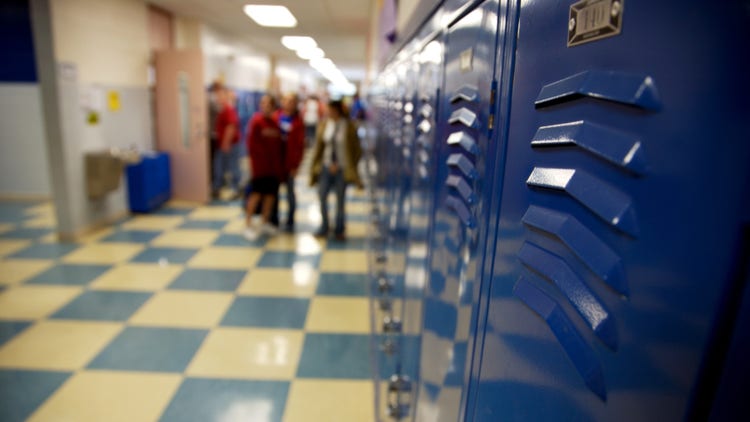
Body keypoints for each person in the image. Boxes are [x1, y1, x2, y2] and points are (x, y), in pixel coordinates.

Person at [310, 99, 363, 241]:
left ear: (338, 111)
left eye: (331, 110)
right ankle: (324, 226)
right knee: (322, 196)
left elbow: (357, 149)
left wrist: (348, 165)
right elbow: (319, 147)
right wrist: (317, 165)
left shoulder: (349, 127)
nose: (329, 113)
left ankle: (339, 229)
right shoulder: (325, 124)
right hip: (326, 167)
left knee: (340, 199)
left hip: (342, 168)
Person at [244, 94, 283, 241]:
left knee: (270, 196)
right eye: (263, 104)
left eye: (269, 104)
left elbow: (278, 146)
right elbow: (251, 146)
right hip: (259, 168)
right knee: (256, 195)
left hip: (273, 168)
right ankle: (248, 225)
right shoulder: (256, 122)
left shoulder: (274, 123)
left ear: (273, 107)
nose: (266, 106)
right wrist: (253, 166)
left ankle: (265, 222)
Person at [273, 92, 305, 231]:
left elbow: (300, 145)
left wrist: (296, 165)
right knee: (273, 192)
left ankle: (290, 219)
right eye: (286, 100)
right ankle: (273, 218)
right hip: (275, 163)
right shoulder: (276, 117)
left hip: (290, 163)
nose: (288, 103)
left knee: (290, 192)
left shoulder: (298, 121)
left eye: (292, 101)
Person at [212, 87, 241, 199]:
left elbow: (231, 127)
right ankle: (217, 187)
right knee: (219, 166)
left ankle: (236, 189)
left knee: (233, 166)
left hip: (230, 144)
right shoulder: (222, 110)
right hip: (223, 144)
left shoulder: (228, 110)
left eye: (220, 96)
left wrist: (226, 143)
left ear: (225, 96)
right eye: (216, 96)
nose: (217, 98)